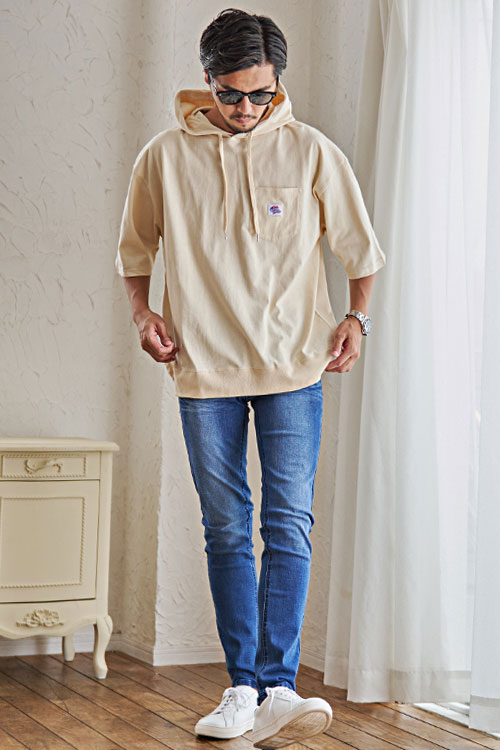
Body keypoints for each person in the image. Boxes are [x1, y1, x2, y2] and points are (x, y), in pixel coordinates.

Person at [115, 8, 386, 748]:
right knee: (227, 526)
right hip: (202, 367)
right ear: (207, 80)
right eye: (231, 94)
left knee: (288, 523)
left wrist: (357, 319)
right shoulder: (163, 158)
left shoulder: (311, 151)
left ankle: (278, 686)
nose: (246, 108)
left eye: (261, 94)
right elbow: (134, 251)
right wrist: (143, 315)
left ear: (277, 83)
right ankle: (242, 687)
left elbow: (361, 251)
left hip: (295, 365)